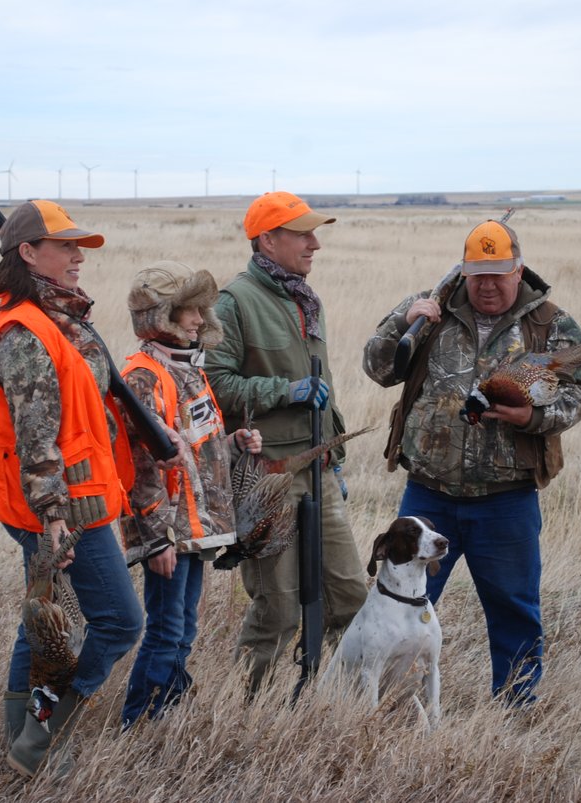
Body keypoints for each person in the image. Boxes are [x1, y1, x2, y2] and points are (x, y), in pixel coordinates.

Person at [362, 218, 581, 705]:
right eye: (477, 274)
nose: (487, 285)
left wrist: (531, 415)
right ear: (463, 272)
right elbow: (378, 367)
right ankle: (389, 706)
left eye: (498, 274)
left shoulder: (550, 324)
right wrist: (404, 322)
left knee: (514, 608)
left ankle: (515, 708)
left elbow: (580, 395)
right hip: (428, 497)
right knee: (397, 602)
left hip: (505, 498)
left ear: (519, 269)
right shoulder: (430, 311)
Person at [0, 200, 165, 777]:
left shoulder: (59, 320)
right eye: (65, 246)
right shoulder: (27, 332)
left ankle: (23, 744)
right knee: (120, 620)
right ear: (28, 253)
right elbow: (36, 438)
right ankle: (43, 738)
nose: (78, 255)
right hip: (60, 506)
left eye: (79, 245)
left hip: (75, 497)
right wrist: (55, 517)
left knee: (43, 620)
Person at [204, 191, 368, 694]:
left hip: (316, 469)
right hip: (267, 478)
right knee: (277, 608)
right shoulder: (234, 302)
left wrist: (334, 459)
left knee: (350, 595)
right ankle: (246, 711)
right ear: (268, 239)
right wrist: (283, 391)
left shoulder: (302, 299)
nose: (314, 243)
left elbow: (324, 387)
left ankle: (337, 700)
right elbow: (213, 382)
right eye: (303, 234)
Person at [117, 260, 262, 729]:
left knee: (184, 628)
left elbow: (196, 446)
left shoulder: (186, 370)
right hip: (170, 535)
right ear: (161, 316)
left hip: (193, 530)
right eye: (189, 311)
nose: (200, 319)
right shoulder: (143, 376)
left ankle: (168, 713)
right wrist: (156, 537)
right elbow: (141, 469)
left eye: (201, 311)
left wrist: (234, 445)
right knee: (165, 629)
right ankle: (140, 723)